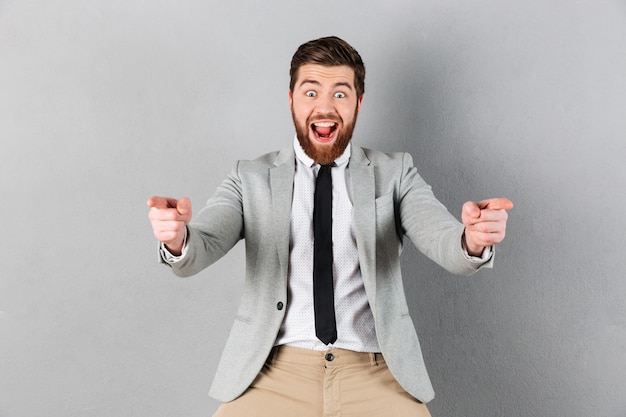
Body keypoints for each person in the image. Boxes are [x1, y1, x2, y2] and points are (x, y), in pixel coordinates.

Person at [147, 36, 512, 417]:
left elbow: (441, 237)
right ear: (291, 100)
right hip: (273, 371)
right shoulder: (249, 177)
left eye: (340, 94)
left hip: (374, 371)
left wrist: (471, 239)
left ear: (358, 102)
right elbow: (203, 242)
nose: (325, 107)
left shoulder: (394, 173)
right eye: (310, 92)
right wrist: (178, 238)